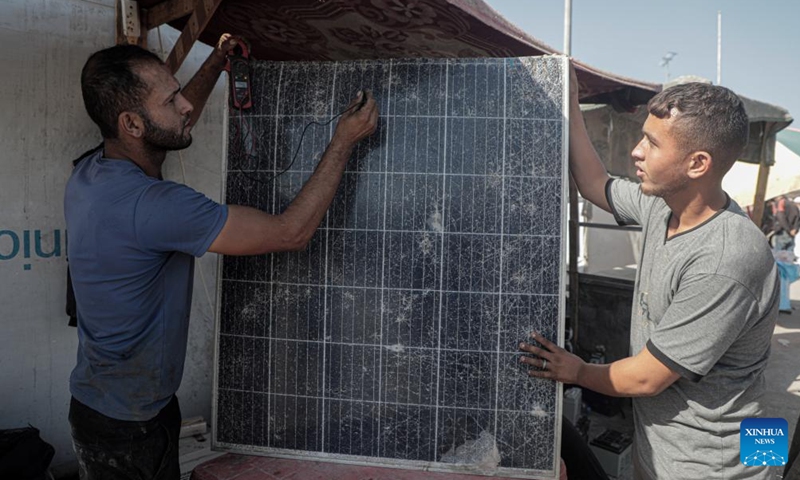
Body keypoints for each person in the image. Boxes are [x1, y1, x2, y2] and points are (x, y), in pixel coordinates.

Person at [65, 35, 378, 479]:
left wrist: (215, 63)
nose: (186, 106)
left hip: (104, 404)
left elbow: (165, 128)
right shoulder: (158, 206)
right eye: (172, 99)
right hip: (130, 429)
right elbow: (291, 232)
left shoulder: (91, 172)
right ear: (132, 124)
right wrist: (345, 140)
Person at [519, 66, 779, 479]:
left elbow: (645, 378)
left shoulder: (726, 259)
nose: (636, 151)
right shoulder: (662, 206)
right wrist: (569, 103)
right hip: (669, 445)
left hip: (715, 464)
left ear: (698, 163)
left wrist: (576, 370)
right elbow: (594, 182)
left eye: (652, 143)